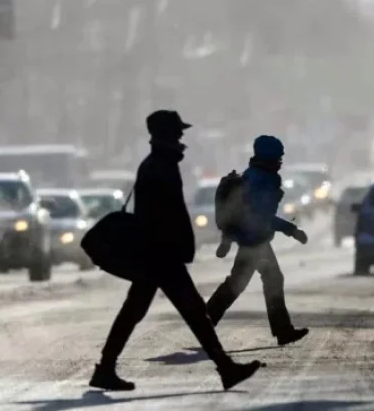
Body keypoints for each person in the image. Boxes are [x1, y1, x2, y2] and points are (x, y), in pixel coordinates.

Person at [89, 110, 262, 392]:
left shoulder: (159, 163)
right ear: (165, 134)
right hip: (160, 254)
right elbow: (162, 215)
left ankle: (105, 368)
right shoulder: (159, 166)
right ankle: (225, 368)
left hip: (157, 253)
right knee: (194, 311)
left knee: (139, 312)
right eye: (177, 131)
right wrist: (174, 249)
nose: (182, 136)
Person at [205, 135, 309, 346]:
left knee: (256, 282)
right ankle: (204, 324)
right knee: (241, 284)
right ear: (270, 157)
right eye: (278, 157)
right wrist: (291, 229)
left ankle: (283, 330)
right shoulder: (263, 179)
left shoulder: (253, 175)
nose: (281, 162)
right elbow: (262, 217)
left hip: (253, 239)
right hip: (254, 242)